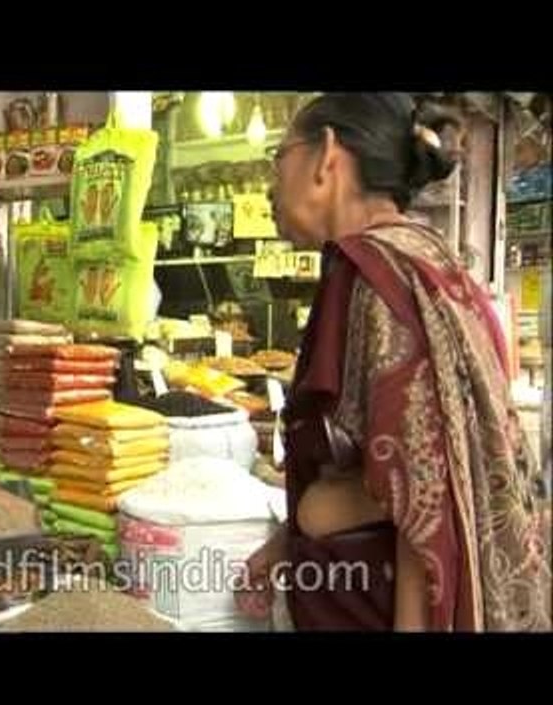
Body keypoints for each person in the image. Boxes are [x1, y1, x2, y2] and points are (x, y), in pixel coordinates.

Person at [236, 93, 551, 631]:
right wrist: (290, 538)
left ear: (327, 155)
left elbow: (422, 498)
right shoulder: (433, 263)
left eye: (278, 155)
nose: (270, 183)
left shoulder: (371, 274)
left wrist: (317, 510)